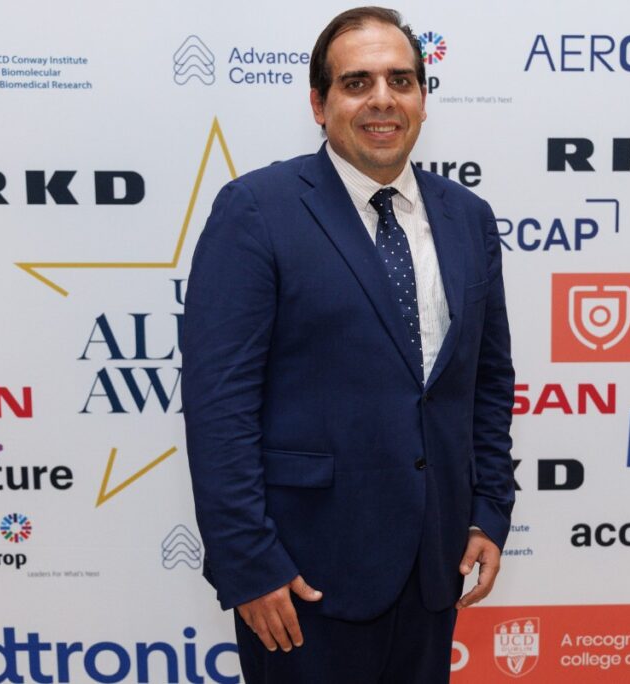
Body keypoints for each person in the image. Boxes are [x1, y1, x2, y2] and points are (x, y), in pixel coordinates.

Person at [181, 7, 515, 682]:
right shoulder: (257, 210)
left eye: (400, 80)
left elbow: (485, 381)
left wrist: (487, 512)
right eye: (357, 82)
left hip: (434, 566)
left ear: (422, 98)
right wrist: (249, 562)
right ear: (319, 103)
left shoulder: (468, 217)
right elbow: (220, 407)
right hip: (302, 579)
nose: (382, 99)